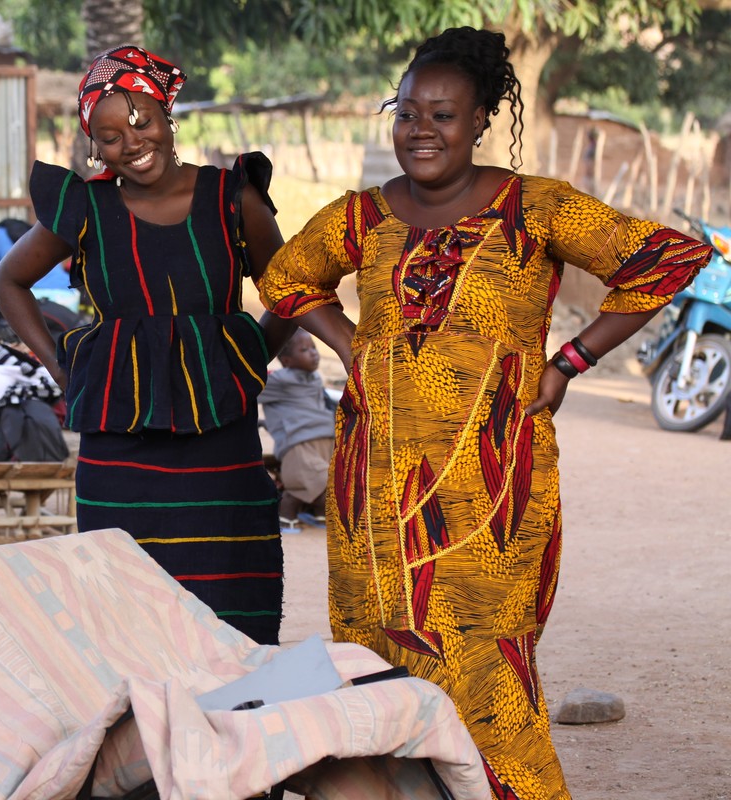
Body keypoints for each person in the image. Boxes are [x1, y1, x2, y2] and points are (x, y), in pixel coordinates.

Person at [258, 26, 712, 798]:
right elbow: (285, 278)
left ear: (479, 121)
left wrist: (569, 362)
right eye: (407, 113)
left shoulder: (534, 208)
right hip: (374, 488)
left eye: (442, 115)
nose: (421, 130)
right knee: (375, 658)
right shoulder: (363, 216)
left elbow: (661, 264)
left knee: (485, 667)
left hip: (490, 489)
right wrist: (351, 342)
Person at [0, 45, 292, 645]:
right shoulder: (85, 209)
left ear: (167, 115)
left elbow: (293, 290)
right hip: (119, 449)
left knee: (229, 599)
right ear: (94, 148)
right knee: (125, 606)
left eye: (141, 122)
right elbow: (8, 282)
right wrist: (60, 369)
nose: (131, 143)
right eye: (109, 137)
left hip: (220, 442)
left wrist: (248, 356)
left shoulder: (233, 198)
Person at [257, 329, 337, 529]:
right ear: (286, 361)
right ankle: (286, 518)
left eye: (313, 347)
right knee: (317, 485)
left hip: (325, 442)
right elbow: (250, 390)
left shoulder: (315, 378)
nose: (313, 353)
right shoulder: (279, 380)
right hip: (300, 445)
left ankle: (319, 516)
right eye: (304, 350)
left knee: (331, 483)